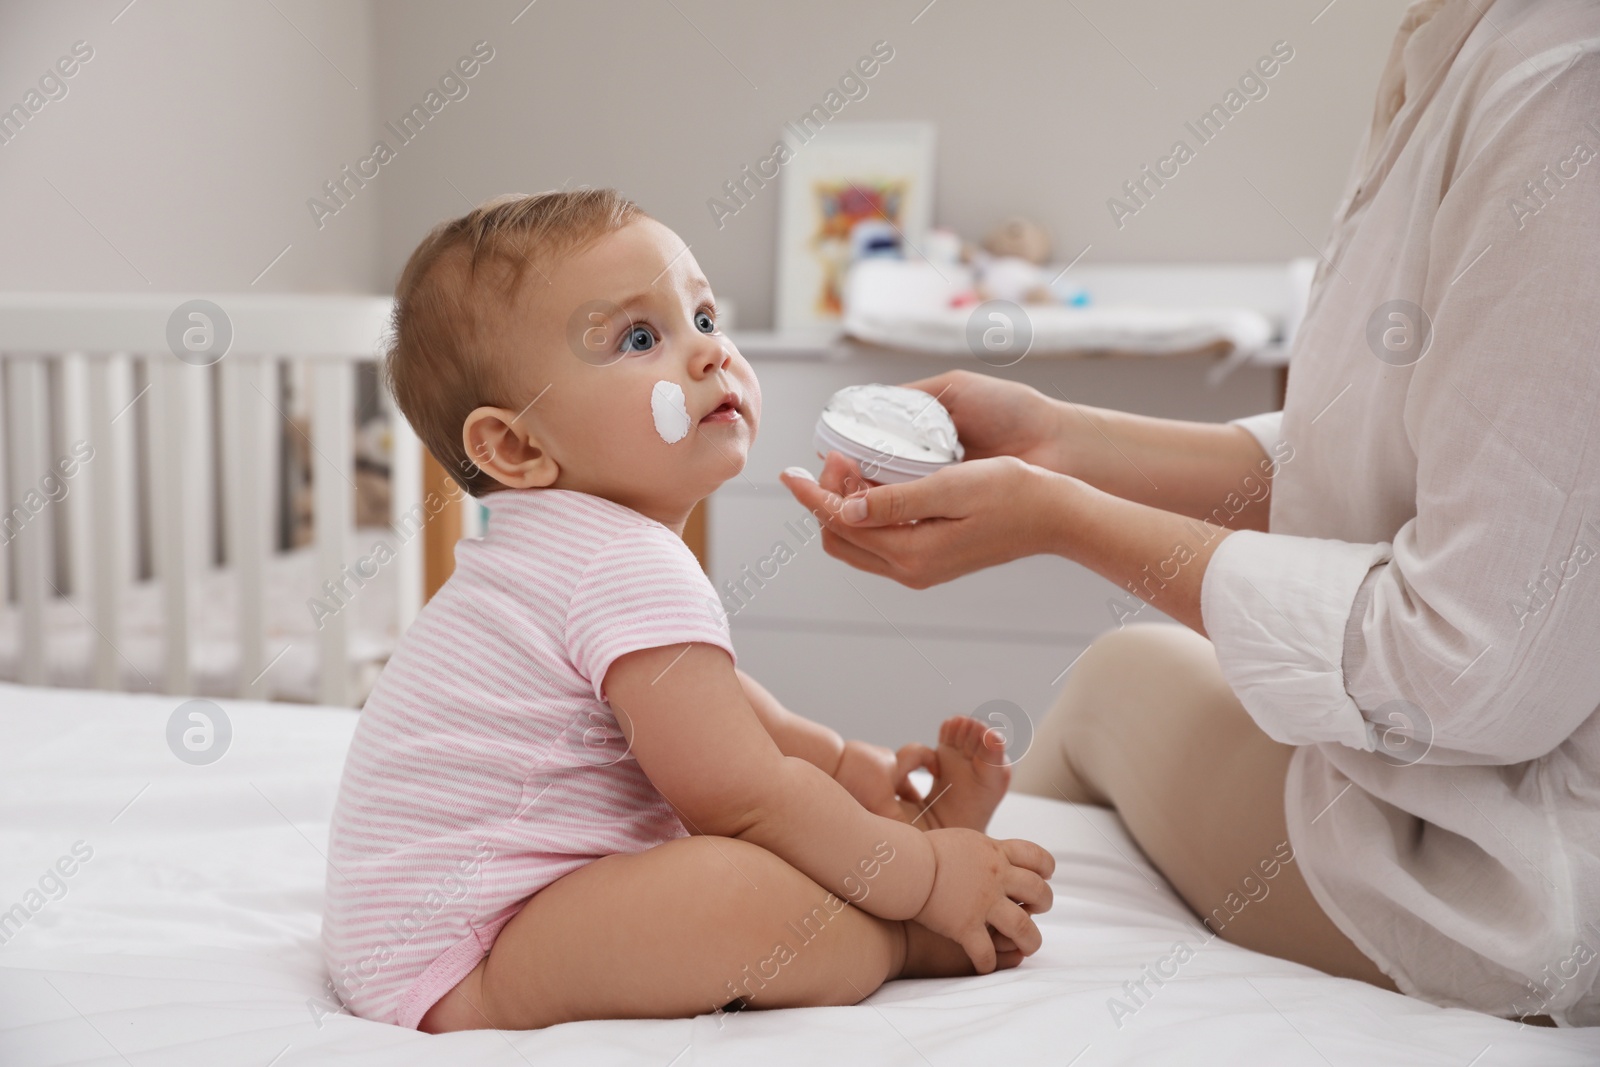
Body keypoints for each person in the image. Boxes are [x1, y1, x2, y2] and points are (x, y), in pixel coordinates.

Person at [781, 0, 1600, 1027]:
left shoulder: (1560, 77)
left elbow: (1472, 668)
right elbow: (1391, 459)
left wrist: (1059, 515)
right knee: (1119, 673)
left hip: (1523, 878)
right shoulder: (1461, 41)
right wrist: (1059, 443)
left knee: (1111, 685)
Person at [321, 189, 1056, 1033]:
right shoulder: (619, 558)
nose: (708, 355)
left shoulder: (561, 547)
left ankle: (890, 841)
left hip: (410, 937)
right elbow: (743, 794)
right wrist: (924, 873)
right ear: (518, 446)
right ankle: (907, 933)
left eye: (703, 316)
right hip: (470, 960)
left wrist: (854, 768)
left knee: (761, 847)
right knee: (738, 893)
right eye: (641, 338)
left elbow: (733, 712)